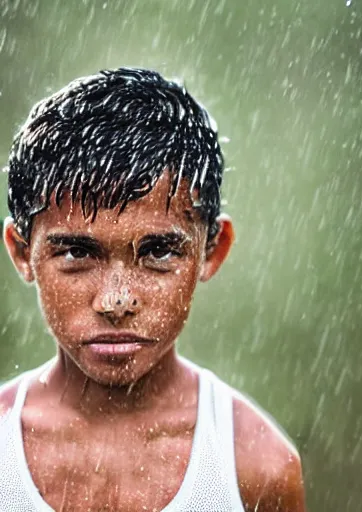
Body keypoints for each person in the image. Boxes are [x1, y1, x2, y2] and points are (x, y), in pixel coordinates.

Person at [0, 68, 306, 512]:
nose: (117, 301)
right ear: (23, 251)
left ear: (211, 250)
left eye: (159, 252)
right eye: (77, 253)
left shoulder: (254, 468)